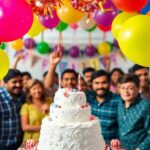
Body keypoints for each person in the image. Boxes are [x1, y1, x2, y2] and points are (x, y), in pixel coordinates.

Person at [86, 70, 119, 145]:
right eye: (97, 83)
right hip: (91, 144)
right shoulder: (88, 99)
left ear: (109, 83)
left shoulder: (118, 100)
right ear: (91, 84)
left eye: (104, 82)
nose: (100, 86)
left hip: (111, 144)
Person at [118, 74, 150, 150]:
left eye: (130, 88)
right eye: (122, 88)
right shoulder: (120, 103)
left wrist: (140, 148)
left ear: (138, 88)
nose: (126, 91)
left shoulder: (145, 106)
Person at [0, 69, 25, 150]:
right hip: (3, 145)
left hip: (19, 143)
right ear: (5, 82)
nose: (18, 85)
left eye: (20, 81)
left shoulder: (22, 95)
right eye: (14, 82)